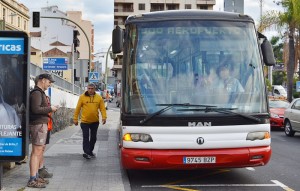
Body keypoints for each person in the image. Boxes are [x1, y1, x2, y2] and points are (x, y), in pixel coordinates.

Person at [28, 73, 59, 188]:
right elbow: (36, 109)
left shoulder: (39, 93)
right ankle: (32, 179)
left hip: (40, 124)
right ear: (42, 80)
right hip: (38, 125)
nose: (50, 84)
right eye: (49, 82)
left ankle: (35, 177)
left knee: (38, 151)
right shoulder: (37, 93)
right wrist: (50, 108)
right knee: (36, 152)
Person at [73, 83, 107, 159]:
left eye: (92, 89)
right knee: (86, 137)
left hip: (95, 121)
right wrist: (75, 119)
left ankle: (90, 151)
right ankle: (86, 152)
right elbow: (78, 108)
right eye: (89, 88)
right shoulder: (82, 97)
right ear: (87, 89)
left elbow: (102, 109)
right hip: (85, 122)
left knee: (93, 138)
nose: (90, 90)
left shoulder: (99, 98)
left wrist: (104, 117)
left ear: (94, 89)